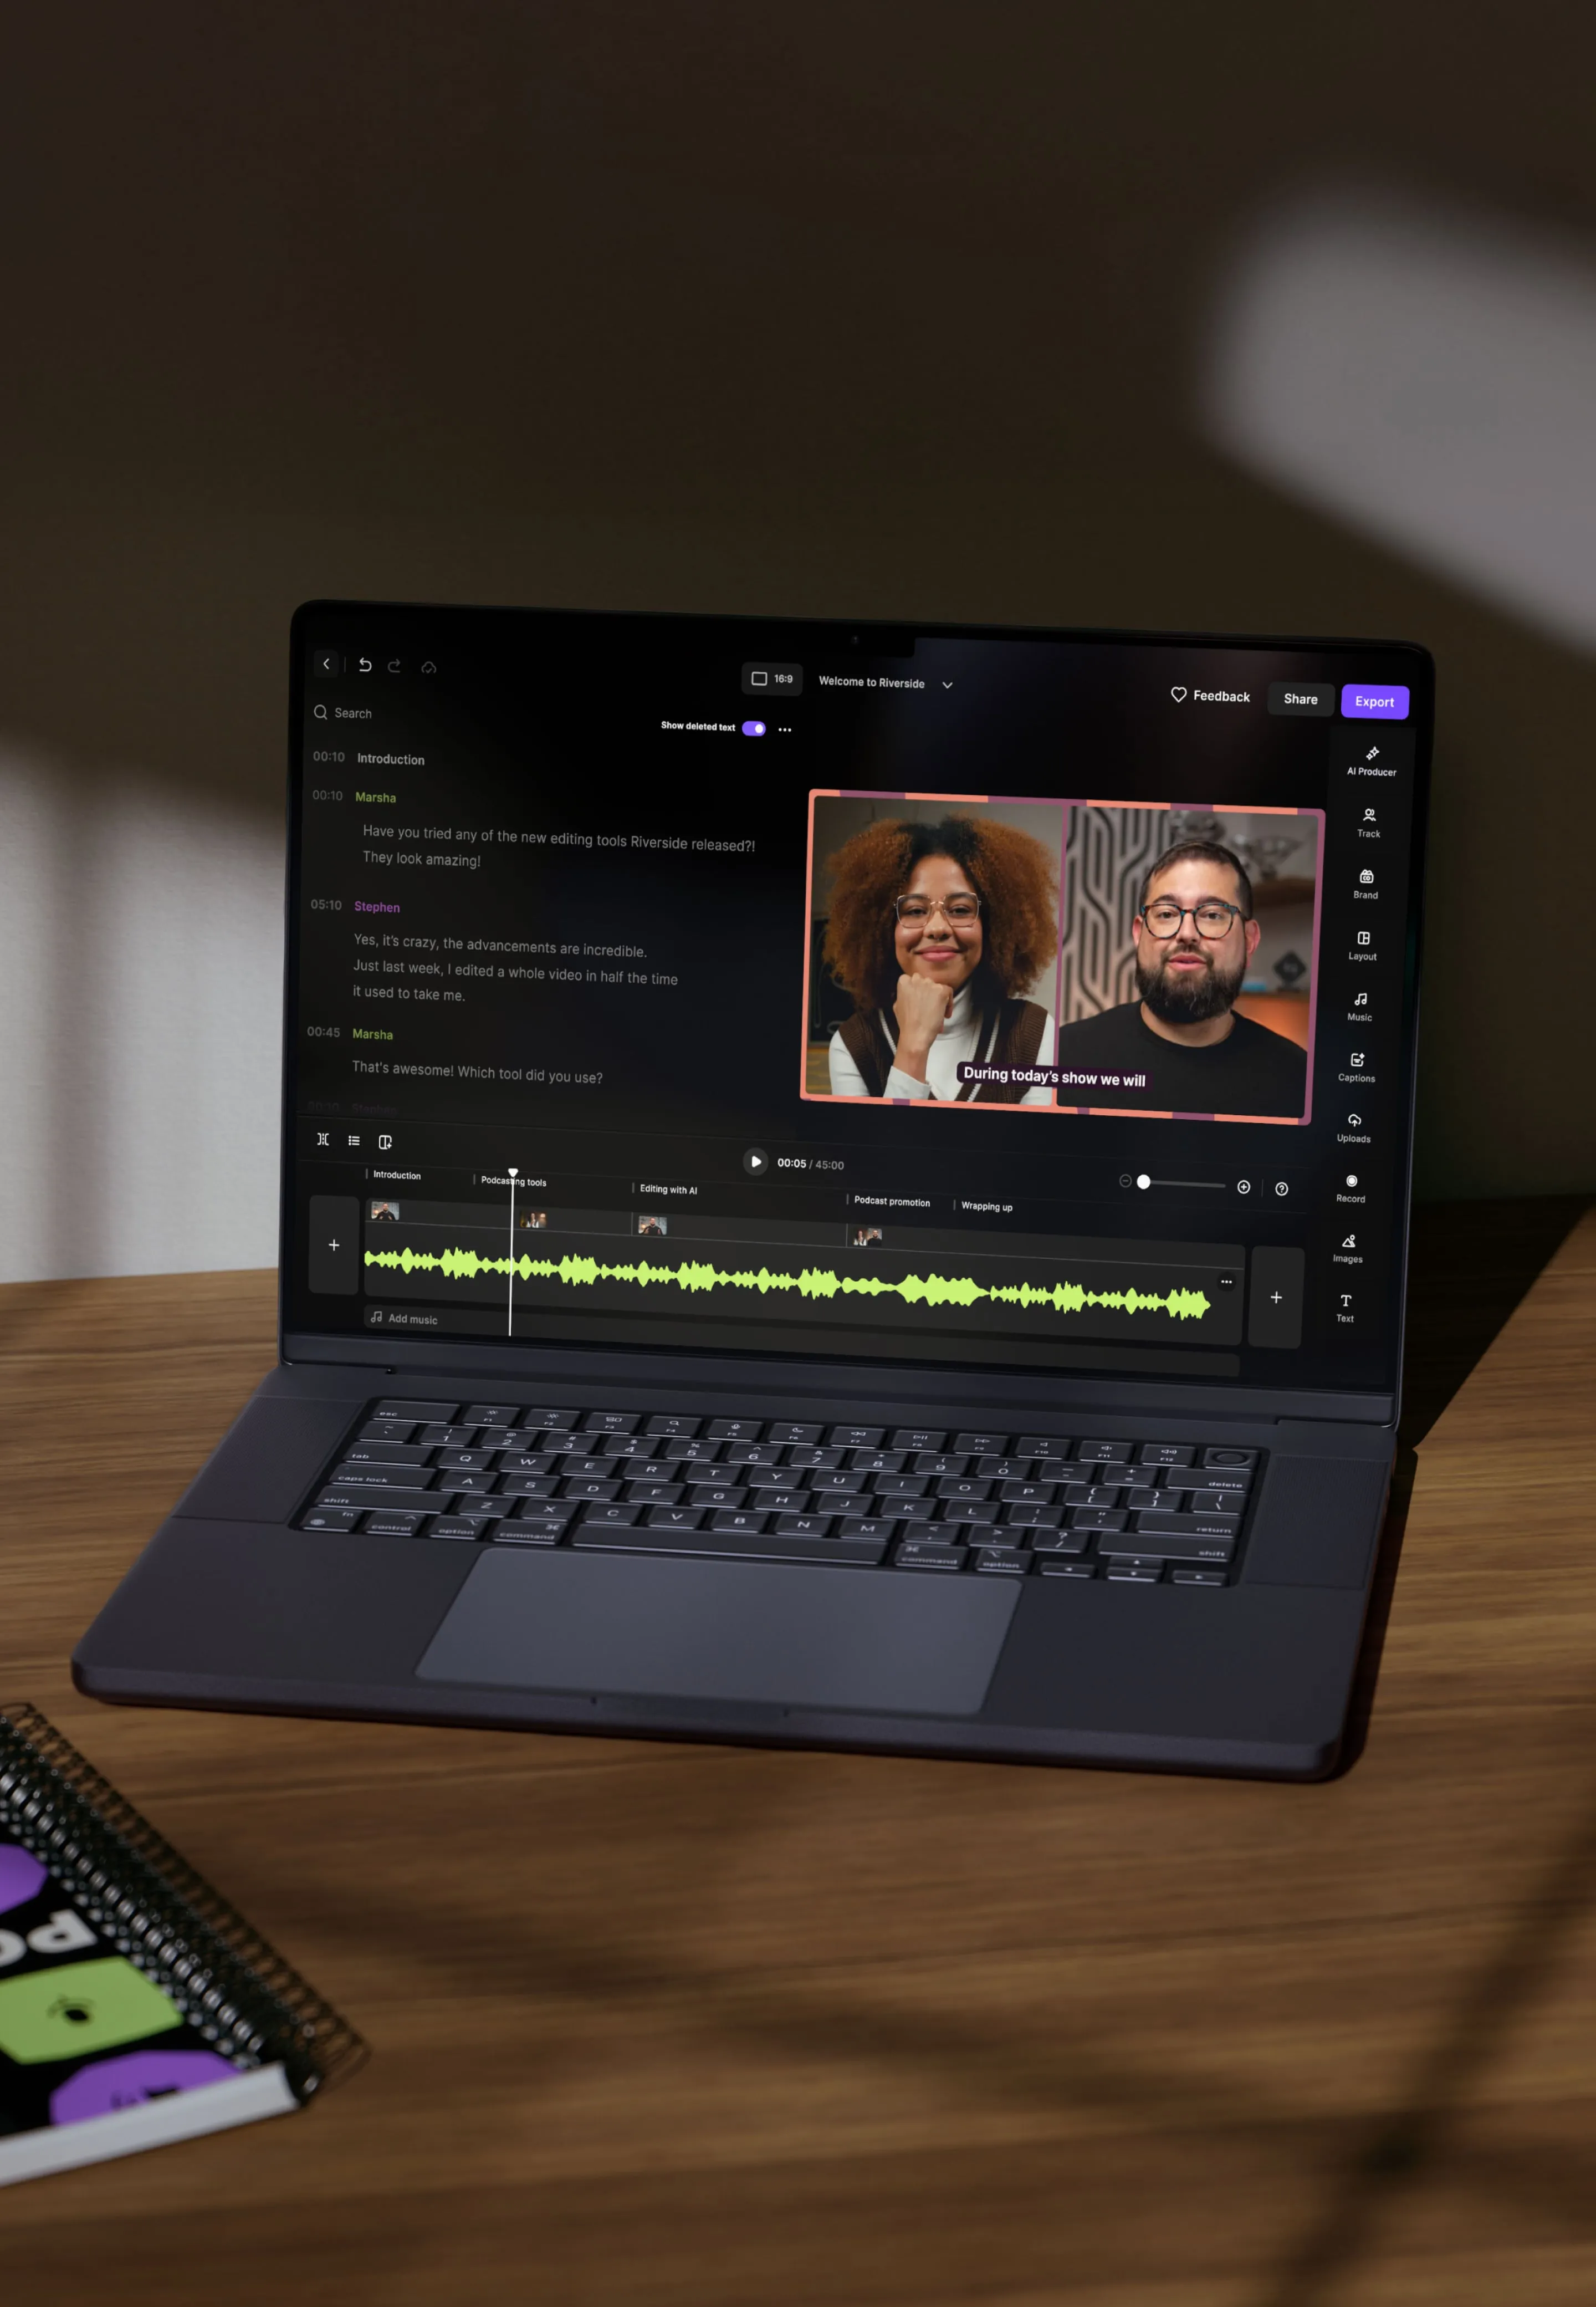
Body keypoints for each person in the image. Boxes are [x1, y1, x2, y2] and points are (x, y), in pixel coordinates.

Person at [1052, 839, 1306, 1114]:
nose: (1187, 933)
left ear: (1249, 940)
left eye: (1212, 915)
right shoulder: (1062, 1058)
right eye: (1166, 914)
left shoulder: (1299, 1080)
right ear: (1139, 934)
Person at [822, 814, 1057, 1104]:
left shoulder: (1032, 1033)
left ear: (992, 927)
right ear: (883, 929)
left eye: (960, 910)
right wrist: (913, 1047)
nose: (937, 928)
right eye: (915, 911)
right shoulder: (854, 1045)